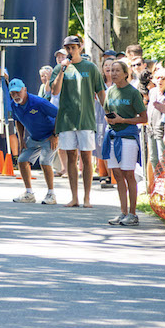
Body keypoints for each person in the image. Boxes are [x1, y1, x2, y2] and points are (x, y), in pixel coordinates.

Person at [50, 35, 106, 208]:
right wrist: (61, 70)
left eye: (73, 47)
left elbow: (101, 91)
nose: (70, 51)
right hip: (66, 119)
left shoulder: (90, 67)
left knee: (86, 157)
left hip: (86, 119)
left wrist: (108, 113)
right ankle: (74, 197)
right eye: (67, 48)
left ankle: (87, 198)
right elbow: (54, 90)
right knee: (71, 156)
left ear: (80, 47)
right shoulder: (60, 68)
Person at [101, 60, 147, 226]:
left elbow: (144, 118)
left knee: (129, 174)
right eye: (111, 70)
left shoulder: (133, 93)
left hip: (128, 137)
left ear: (125, 73)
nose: (113, 73)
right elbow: (106, 110)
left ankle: (133, 214)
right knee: (117, 175)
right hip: (113, 136)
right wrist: (110, 118)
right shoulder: (110, 91)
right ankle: (123, 212)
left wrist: (124, 120)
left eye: (117, 70)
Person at [8, 78, 59, 205]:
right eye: (12, 93)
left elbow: (59, 115)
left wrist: (55, 135)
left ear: (25, 90)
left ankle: (51, 194)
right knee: (22, 160)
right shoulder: (14, 105)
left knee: (44, 161)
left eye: (18, 92)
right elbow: (18, 121)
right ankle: (29, 193)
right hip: (35, 137)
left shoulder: (38, 102)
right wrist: (21, 139)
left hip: (49, 136)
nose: (15, 96)